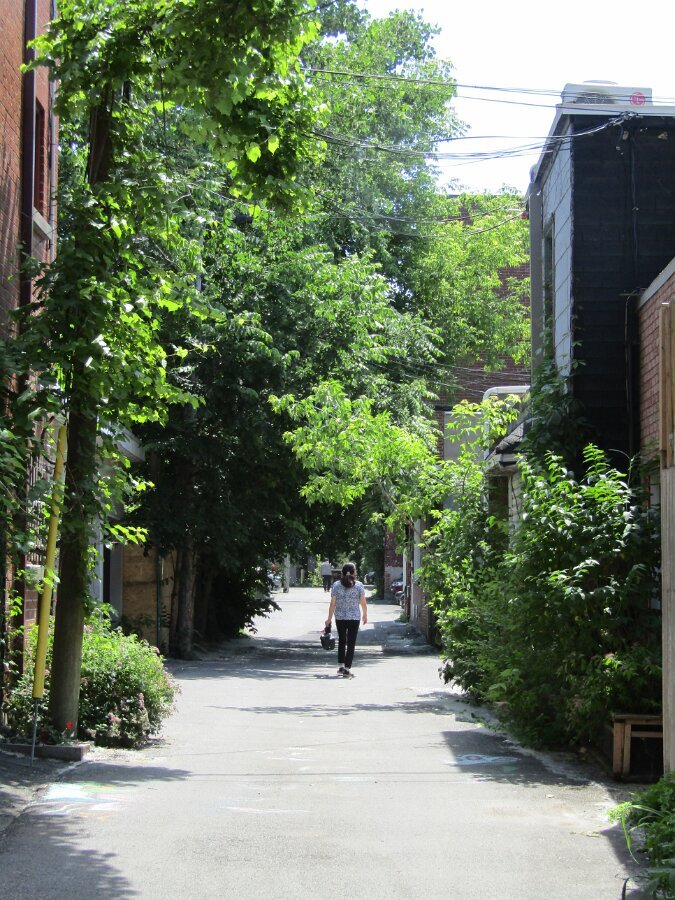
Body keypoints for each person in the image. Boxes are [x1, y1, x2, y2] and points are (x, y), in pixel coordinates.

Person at [325, 562, 367, 678]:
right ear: (354, 572)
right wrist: (365, 614)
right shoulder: (359, 585)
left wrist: (329, 618)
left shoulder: (336, 585)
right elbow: (363, 602)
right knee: (351, 643)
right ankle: (347, 668)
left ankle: (341, 667)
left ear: (342, 573)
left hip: (340, 617)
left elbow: (333, 604)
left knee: (342, 641)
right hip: (354, 618)